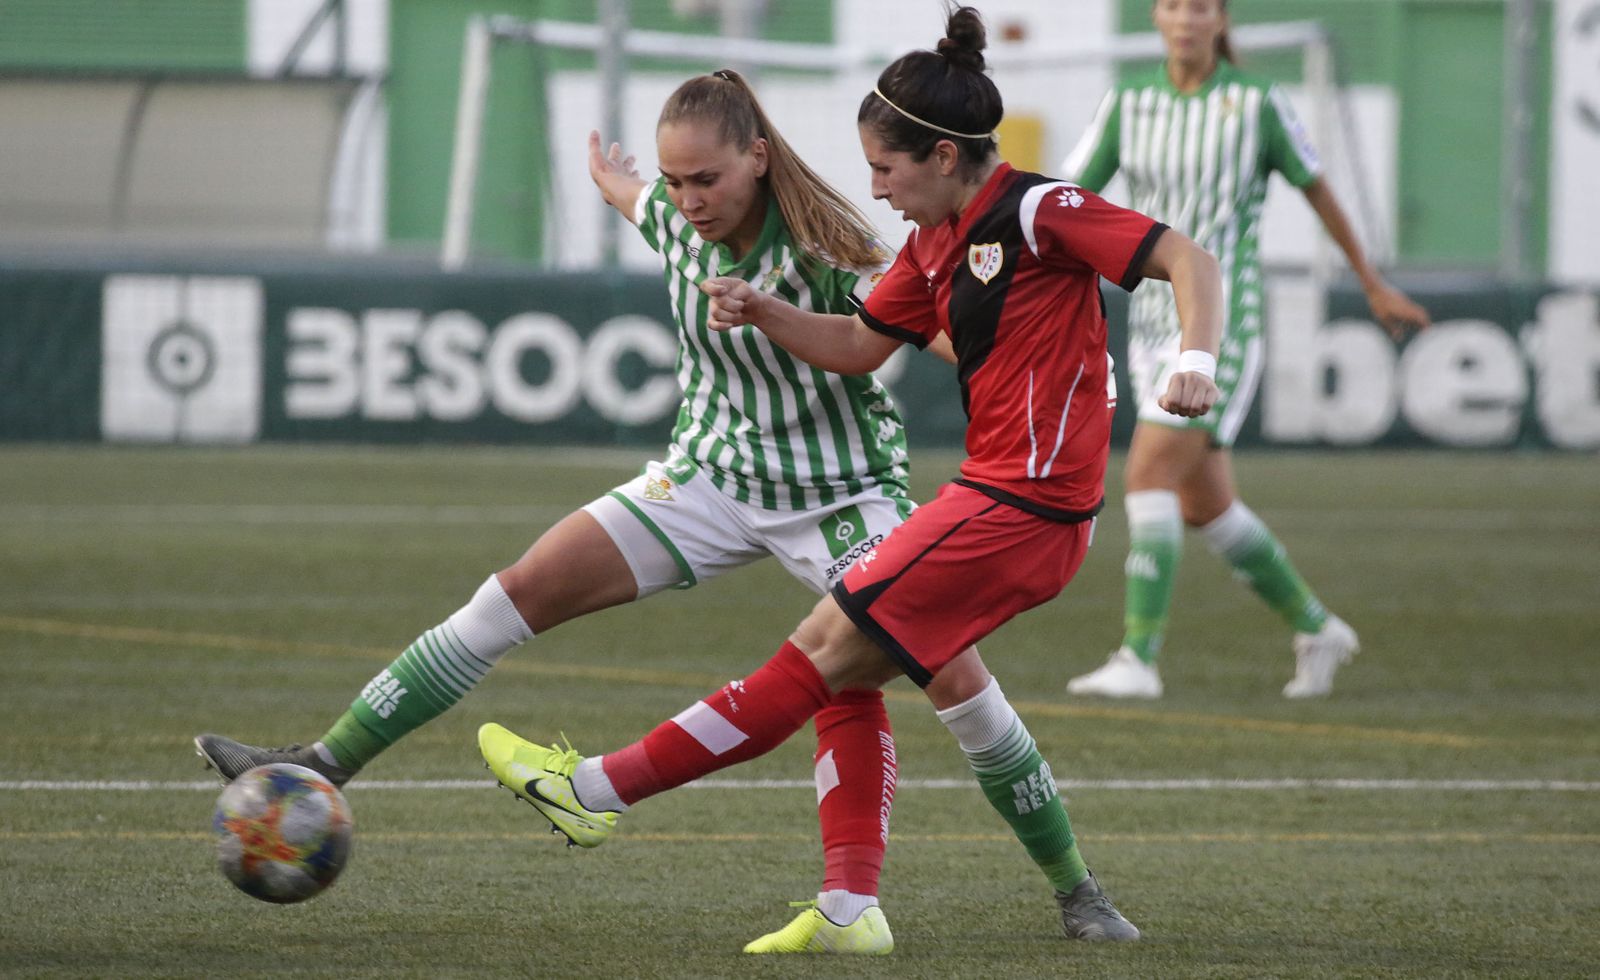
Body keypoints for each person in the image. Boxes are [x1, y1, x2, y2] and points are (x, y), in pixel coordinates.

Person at [195, 68, 991, 954]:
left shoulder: (838, 253)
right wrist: (614, 178)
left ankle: (1067, 886)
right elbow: (635, 198)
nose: (687, 200)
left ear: (759, 159)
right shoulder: (675, 218)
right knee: (516, 590)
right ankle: (322, 762)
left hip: (839, 494)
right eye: (674, 181)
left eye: (706, 180)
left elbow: (953, 336)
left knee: (947, 679)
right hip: (708, 481)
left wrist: (1023, 367)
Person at [477, 6, 1224, 947]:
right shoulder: (932, 244)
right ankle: (1018, 903)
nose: (874, 188)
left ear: (944, 157)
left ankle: (593, 790)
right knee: (890, 685)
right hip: (1001, 504)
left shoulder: (1038, 210)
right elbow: (860, 346)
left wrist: (1195, 360)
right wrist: (763, 308)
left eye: (885, 169)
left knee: (819, 654)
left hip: (1019, 509)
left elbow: (1187, 258)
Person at [1061, 0, 1431, 701]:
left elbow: (1317, 188)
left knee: (1147, 474)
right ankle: (1318, 627)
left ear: (1222, 20)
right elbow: (1068, 199)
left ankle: (1139, 656)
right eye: (1173, 6)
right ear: (1156, 17)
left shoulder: (1257, 102)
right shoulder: (1127, 104)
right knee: (1205, 505)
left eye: (1200, 7)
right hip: (1148, 323)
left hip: (1222, 323)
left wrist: (1371, 282)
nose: (1186, 20)